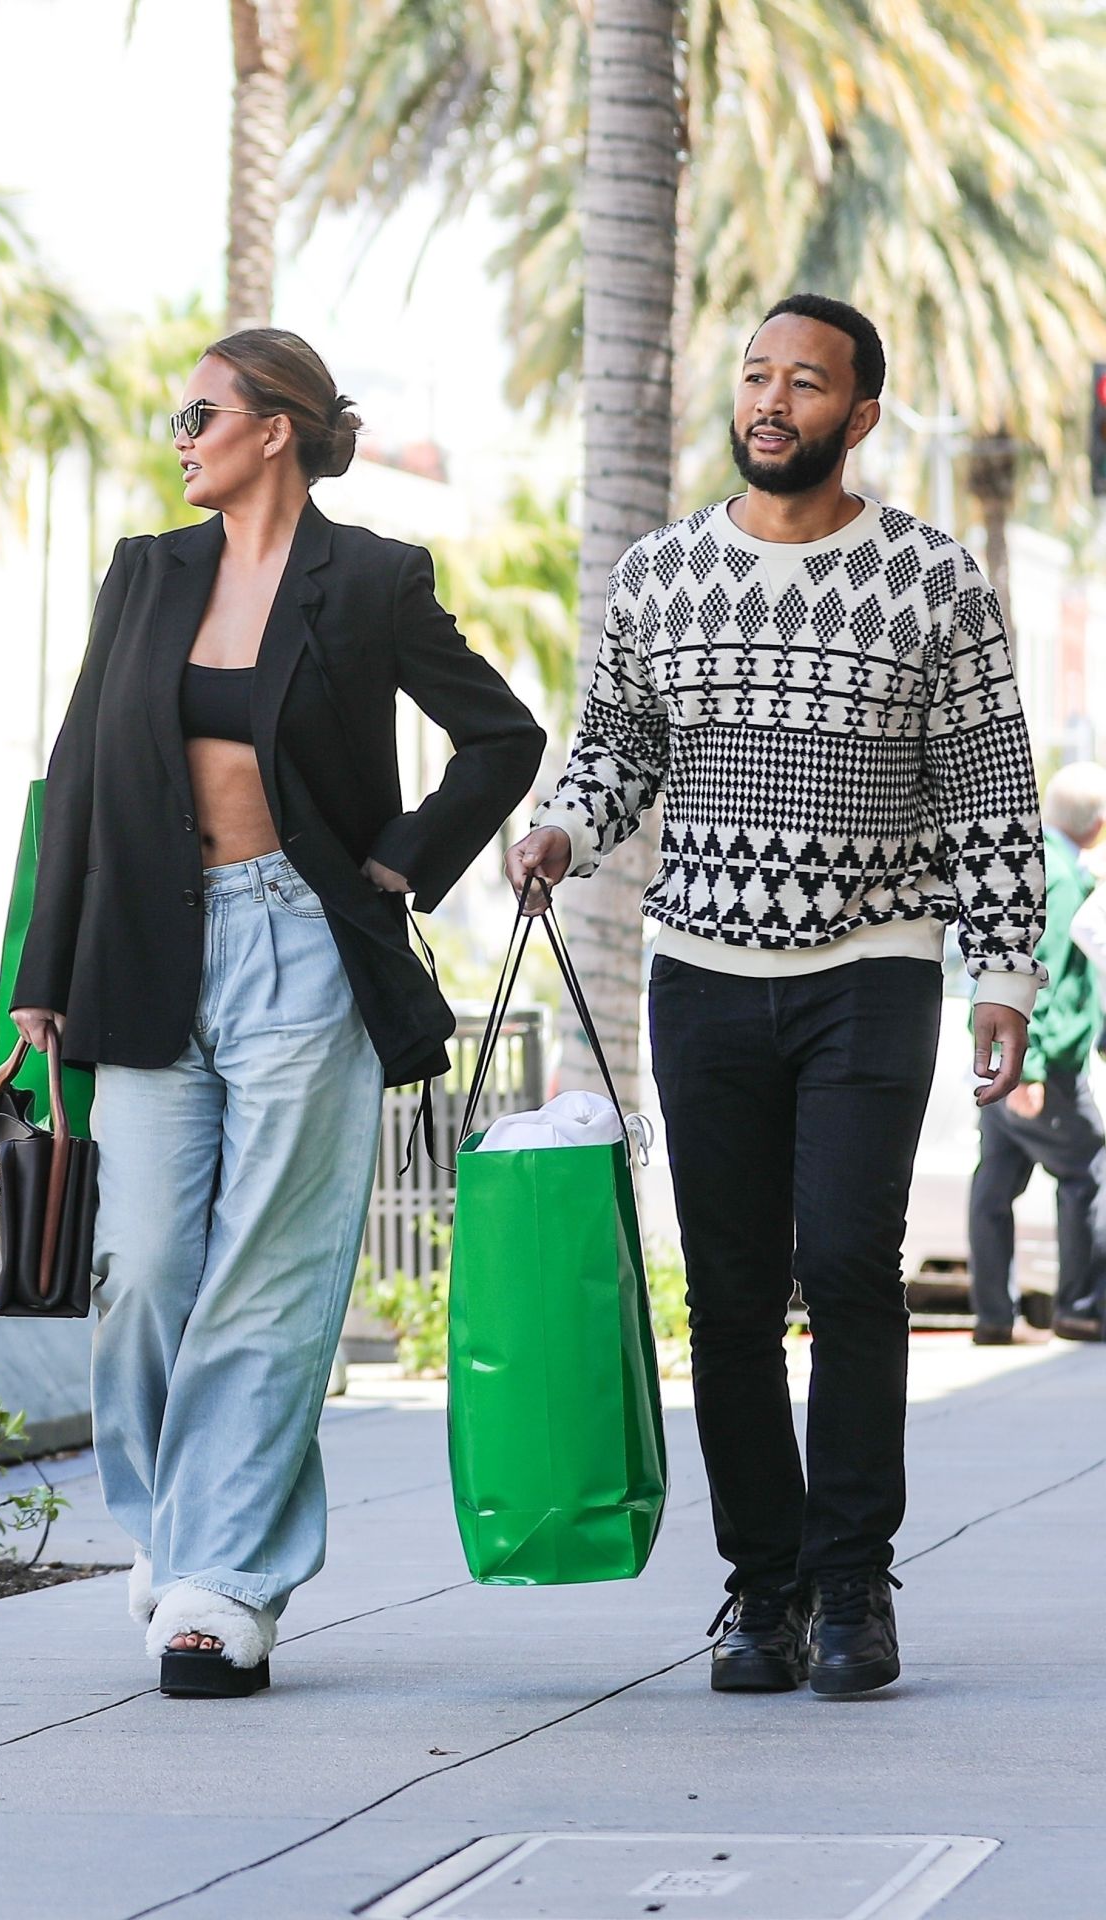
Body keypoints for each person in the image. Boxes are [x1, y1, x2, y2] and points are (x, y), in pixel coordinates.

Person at [506, 292, 1046, 1698]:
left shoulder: (936, 584)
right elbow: (615, 748)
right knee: (733, 1292)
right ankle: (764, 1587)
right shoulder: (661, 574)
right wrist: (562, 827)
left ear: (859, 416)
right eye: (756, 375)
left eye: (806, 383)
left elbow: (992, 789)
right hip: (703, 970)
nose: (772, 400)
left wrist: (1002, 974)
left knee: (854, 1268)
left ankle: (855, 1582)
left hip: (873, 965)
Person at [11, 328, 544, 1696]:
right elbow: (77, 777)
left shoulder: (368, 580)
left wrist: (406, 861)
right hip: (146, 947)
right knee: (139, 1273)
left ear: (275, 429)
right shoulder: (146, 574)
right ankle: (173, 1529)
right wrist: (40, 979)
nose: (177, 434)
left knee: (273, 1275)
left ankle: (222, 1584)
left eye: (199, 412)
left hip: (302, 944)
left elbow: (501, 737)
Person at [969, 762, 1106, 1344]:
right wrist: (1030, 1068)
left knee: (996, 1184)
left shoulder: (1029, 860)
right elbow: (1042, 973)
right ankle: (1080, 1305)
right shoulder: (1066, 876)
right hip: (1041, 1063)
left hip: (1012, 1058)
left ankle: (995, 1317)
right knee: (1091, 1171)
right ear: (1099, 824)